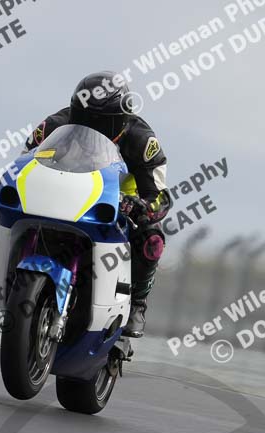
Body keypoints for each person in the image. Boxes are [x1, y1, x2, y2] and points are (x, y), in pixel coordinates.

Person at [24, 71, 170, 338]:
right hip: (65, 193)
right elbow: (24, 163)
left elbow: (160, 196)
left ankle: (137, 302)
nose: (91, 128)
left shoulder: (142, 141)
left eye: (101, 122)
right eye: (84, 118)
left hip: (118, 204)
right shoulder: (54, 126)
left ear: (121, 120)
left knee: (152, 240)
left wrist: (144, 206)